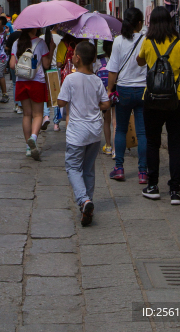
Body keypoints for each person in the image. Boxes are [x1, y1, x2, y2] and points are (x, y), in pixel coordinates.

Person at [137, 6, 180, 204]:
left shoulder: (147, 42)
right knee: (175, 145)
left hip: (152, 100)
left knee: (153, 143)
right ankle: (175, 191)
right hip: (177, 100)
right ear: (170, 22)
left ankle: (153, 186)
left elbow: (139, 62)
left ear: (152, 23)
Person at [57, 40, 110, 226]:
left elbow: (61, 103)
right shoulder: (96, 80)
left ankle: (84, 200)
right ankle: (88, 205)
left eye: (73, 55)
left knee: (72, 167)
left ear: (77, 59)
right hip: (95, 132)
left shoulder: (70, 79)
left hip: (77, 132)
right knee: (88, 169)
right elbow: (106, 104)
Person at [107, 6, 148, 183]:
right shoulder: (146, 39)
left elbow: (113, 70)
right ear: (139, 23)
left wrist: (109, 90)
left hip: (123, 90)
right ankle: (143, 172)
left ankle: (119, 168)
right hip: (143, 90)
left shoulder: (118, 41)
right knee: (142, 133)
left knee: (121, 129)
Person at [10, 27, 52, 159]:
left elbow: (12, 65)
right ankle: (33, 138)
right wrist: (51, 49)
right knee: (38, 114)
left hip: (21, 81)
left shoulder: (16, 42)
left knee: (26, 114)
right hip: (37, 81)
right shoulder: (41, 42)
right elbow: (46, 65)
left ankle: (28, 147)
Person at [95, 42, 113, 155]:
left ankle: (108, 145)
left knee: (106, 121)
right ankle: (116, 149)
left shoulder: (97, 62)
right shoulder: (114, 60)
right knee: (115, 122)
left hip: (103, 95)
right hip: (114, 93)